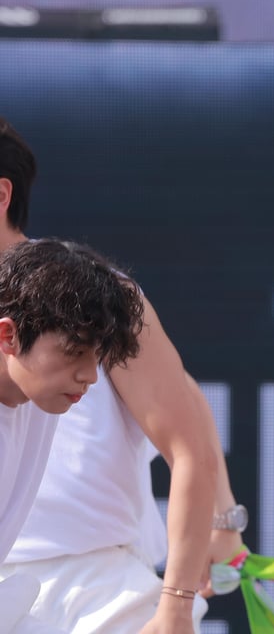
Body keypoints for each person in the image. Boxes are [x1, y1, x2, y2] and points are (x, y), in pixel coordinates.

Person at [0, 115, 248, 634]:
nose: (86, 375)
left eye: (84, 354)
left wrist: (215, 532)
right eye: (73, 354)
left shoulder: (97, 296)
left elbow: (186, 430)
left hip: (98, 590)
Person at [0, 238, 145, 634]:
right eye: (74, 351)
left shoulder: (40, 395)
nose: (90, 376)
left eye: (97, 355)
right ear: (8, 336)